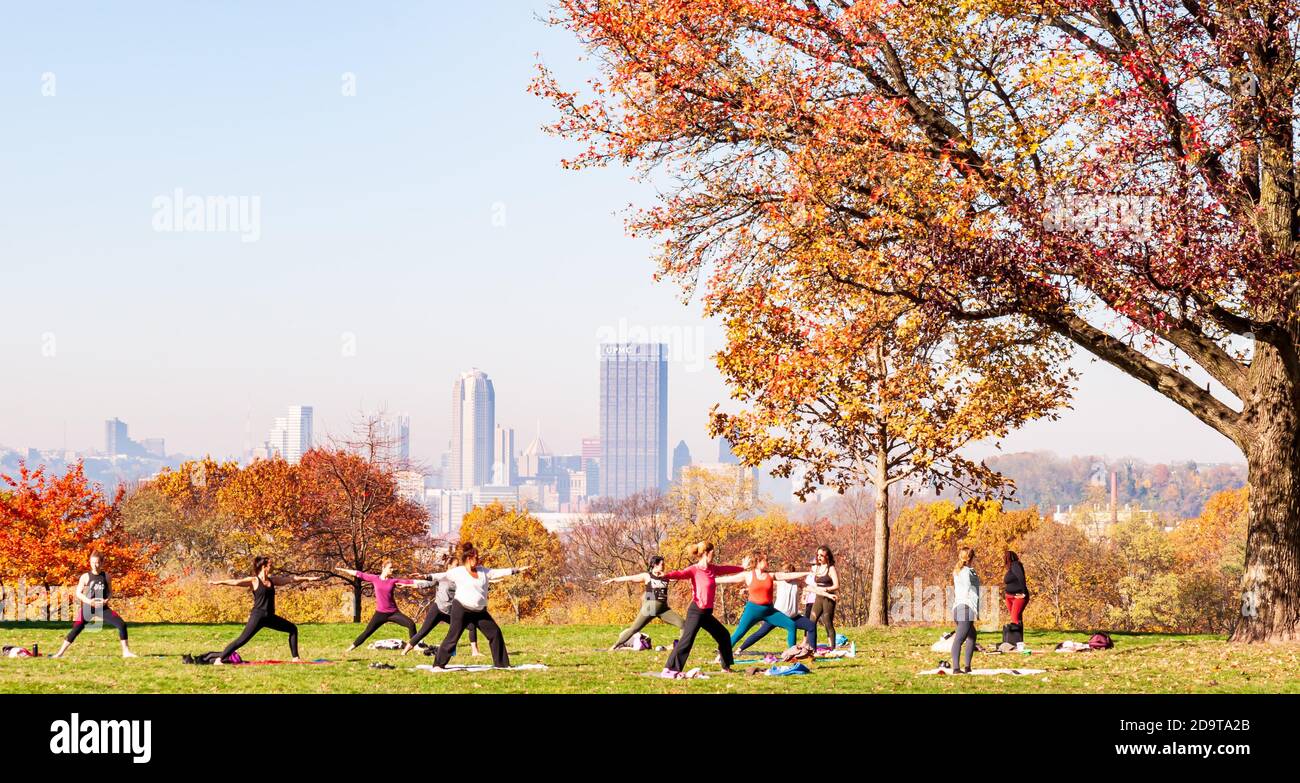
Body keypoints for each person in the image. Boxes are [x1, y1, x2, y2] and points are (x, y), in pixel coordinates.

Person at [427, 543, 530, 670]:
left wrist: (516, 570)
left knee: (495, 633)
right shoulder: (459, 572)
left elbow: (498, 572)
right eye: (476, 557)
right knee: (453, 637)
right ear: (469, 559)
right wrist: (427, 576)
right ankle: (438, 664)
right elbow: (442, 575)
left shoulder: (483, 571)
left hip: (479, 612)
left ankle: (502, 664)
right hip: (461, 609)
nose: (478, 559)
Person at [210, 556, 325, 664]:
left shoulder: (272, 580)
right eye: (270, 565)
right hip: (257, 617)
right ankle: (220, 659)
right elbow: (235, 582)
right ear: (263, 567)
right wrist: (218, 582)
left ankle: (295, 658)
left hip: (270, 617)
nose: (272, 567)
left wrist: (308, 578)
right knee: (242, 640)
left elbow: (291, 579)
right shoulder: (254, 581)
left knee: (292, 629)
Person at [660, 541, 745, 675]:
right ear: (706, 553)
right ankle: (669, 669)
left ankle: (726, 666)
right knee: (687, 640)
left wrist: (742, 567)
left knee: (723, 635)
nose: (714, 555)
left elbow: (726, 569)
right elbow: (680, 574)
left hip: (706, 614)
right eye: (712, 552)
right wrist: (665, 576)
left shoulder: (712, 569)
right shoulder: (694, 569)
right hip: (696, 611)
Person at [52, 551, 137, 659]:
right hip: (88, 608)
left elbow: (110, 592)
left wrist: (107, 600)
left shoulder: (106, 576)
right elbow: (78, 593)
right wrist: (89, 601)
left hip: (103, 608)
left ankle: (126, 652)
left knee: (122, 624)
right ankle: (59, 654)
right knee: (76, 629)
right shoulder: (85, 577)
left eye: (97, 563)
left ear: (101, 563)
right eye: (92, 563)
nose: (94, 565)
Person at [724, 553, 814, 652]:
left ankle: (791, 655)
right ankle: (722, 655)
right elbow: (729, 579)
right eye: (765, 560)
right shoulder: (749, 575)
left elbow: (787, 575)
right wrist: (710, 579)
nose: (768, 562)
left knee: (791, 625)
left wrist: (806, 573)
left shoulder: (770, 575)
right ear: (758, 562)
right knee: (739, 633)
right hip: (753, 610)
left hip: (769, 611)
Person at [402, 553, 488, 656]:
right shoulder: (442, 577)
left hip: (452, 611)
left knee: (471, 626)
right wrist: (408, 584)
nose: (458, 567)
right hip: (438, 609)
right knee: (423, 631)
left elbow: (475, 583)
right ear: (449, 566)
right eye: (456, 565)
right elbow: (425, 584)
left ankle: (475, 651)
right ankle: (404, 652)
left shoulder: (460, 578)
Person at [603, 556, 684, 651]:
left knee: (683, 624)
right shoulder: (647, 576)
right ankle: (614, 647)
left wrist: (665, 575)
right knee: (634, 629)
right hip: (650, 607)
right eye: (662, 564)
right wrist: (614, 580)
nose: (664, 566)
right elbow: (630, 578)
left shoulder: (666, 577)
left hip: (663, 609)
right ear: (655, 565)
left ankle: (680, 647)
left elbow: (679, 577)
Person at [337, 561, 420, 653]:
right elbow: (359, 574)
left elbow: (409, 582)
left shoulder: (393, 581)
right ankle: (350, 648)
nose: (392, 570)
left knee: (411, 624)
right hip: (380, 613)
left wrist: (427, 579)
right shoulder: (375, 579)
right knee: (367, 632)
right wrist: (342, 569)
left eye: (393, 568)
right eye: (390, 568)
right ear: (383, 568)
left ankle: (414, 646)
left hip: (393, 613)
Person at [950, 546, 980, 674]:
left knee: (972, 636)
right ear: (971, 558)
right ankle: (956, 668)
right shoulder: (969, 571)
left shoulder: (957, 571)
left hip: (957, 609)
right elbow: (971, 588)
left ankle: (967, 667)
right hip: (966, 609)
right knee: (959, 639)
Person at [806, 546, 839, 649]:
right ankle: (812, 647)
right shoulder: (816, 568)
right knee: (812, 621)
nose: (819, 557)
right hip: (818, 597)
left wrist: (827, 590)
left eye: (821, 555)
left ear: (827, 557)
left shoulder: (831, 568)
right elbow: (810, 582)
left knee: (827, 622)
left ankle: (832, 647)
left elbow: (837, 585)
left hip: (828, 599)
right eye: (818, 555)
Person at [1003, 550, 1029, 626]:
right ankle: (1019, 637)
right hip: (1009, 597)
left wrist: (1024, 593)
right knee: (1017, 619)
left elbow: (1021, 578)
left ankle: (1015, 637)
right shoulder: (1011, 568)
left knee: (1015, 619)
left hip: (1018, 597)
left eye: (1005, 557)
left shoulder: (1016, 565)